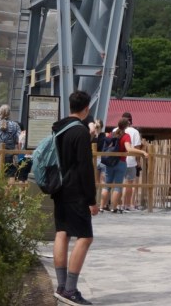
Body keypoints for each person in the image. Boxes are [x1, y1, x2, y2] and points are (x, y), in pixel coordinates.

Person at [52, 90, 99, 305]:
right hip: (75, 192)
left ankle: (61, 286)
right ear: (86, 109)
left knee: (62, 233)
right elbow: (85, 168)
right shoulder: (80, 132)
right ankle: (70, 289)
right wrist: (91, 200)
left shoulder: (58, 128)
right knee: (85, 237)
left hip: (58, 188)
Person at [0, 104, 21, 176]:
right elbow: (19, 140)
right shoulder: (15, 125)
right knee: (9, 179)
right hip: (9, 157)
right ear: (9, 113)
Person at [121, 112, 143, 212]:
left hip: (118, 160)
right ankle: (128, 205)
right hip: (130, 160)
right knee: (129, 184)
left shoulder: (116, 130)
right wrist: (138, 161)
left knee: (120, 184)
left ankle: (119, 205)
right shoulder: (135, 132)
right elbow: (137, 148)